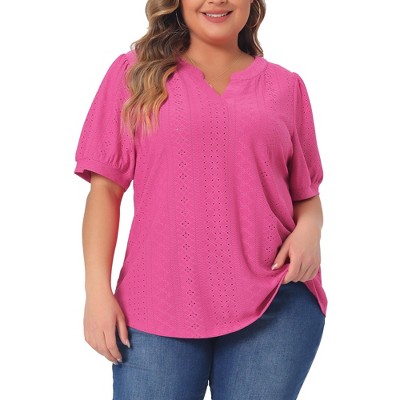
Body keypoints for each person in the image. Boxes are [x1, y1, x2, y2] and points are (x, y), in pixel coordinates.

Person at [73, 0, 327, 399]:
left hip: (276, 302)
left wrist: (310, 228)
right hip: (155, 307)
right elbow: (105, 191)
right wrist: (96, 293)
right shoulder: (134, 74)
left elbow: (306, 194)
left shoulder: (286, 87)